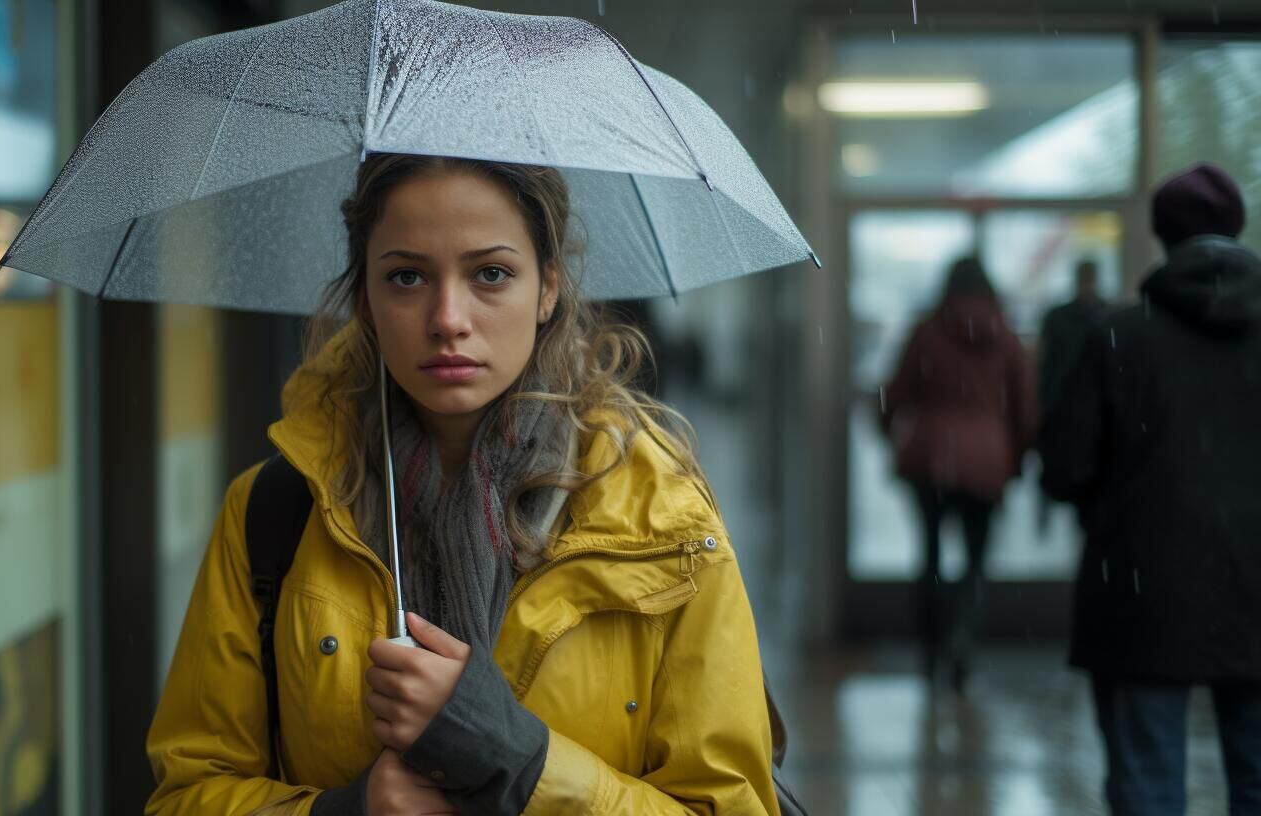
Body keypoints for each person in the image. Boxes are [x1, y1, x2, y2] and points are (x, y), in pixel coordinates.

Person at [144, 153, 781, 815]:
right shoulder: (275, 513)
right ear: (365, 296)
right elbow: (186, 793)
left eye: (491, 273)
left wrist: (520, 759)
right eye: (407, 276)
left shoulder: (662, 527)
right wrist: (344, 811)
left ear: (548, 289)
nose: (448, 317)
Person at [1039, 163, 1261, 816]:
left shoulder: (1120, 336)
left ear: (1161, 234)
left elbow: (1064, 467)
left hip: (1143, 592)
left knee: (1147, 786)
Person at [881, 256, 1036, 692]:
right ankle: (962, 642)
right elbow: (1025, 410)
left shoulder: (928, 332)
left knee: (929, 557)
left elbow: (895, 394)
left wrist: (889, 432)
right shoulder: (1006, 339)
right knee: (976, 561)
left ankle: (930, 653)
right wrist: (1016, 456)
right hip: (987, 462)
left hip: (931, 460)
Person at [1038, 259, 1107, 417]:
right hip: (1076, 397)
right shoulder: (1108, 316)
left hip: (1067, 397)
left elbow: (1045, 363)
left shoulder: (1057, 317)